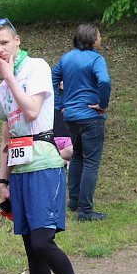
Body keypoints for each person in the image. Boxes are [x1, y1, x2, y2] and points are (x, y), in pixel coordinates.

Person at [0, 17, 94, 274]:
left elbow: (32, 111)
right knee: (31, 248)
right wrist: (3, 177)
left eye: (4, 42)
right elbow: (7, 132)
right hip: (19, 170)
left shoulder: (35, 68)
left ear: (17, 40)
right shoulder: (3, 89)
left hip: (45, 163)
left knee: (43, 241)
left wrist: (9, 76)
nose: (0, 49)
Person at [51, 24, 111, 221]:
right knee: (91, 162)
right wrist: (102, 104)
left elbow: (52, 76)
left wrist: (60, 105)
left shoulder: (66, 58)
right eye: (99, 35)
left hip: (72, 118)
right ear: (92, 39)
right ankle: (85, 211)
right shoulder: (96, 59)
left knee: (77, 156)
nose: (101, 38)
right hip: (91, 117)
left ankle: (74, 201)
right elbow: (105, 82)